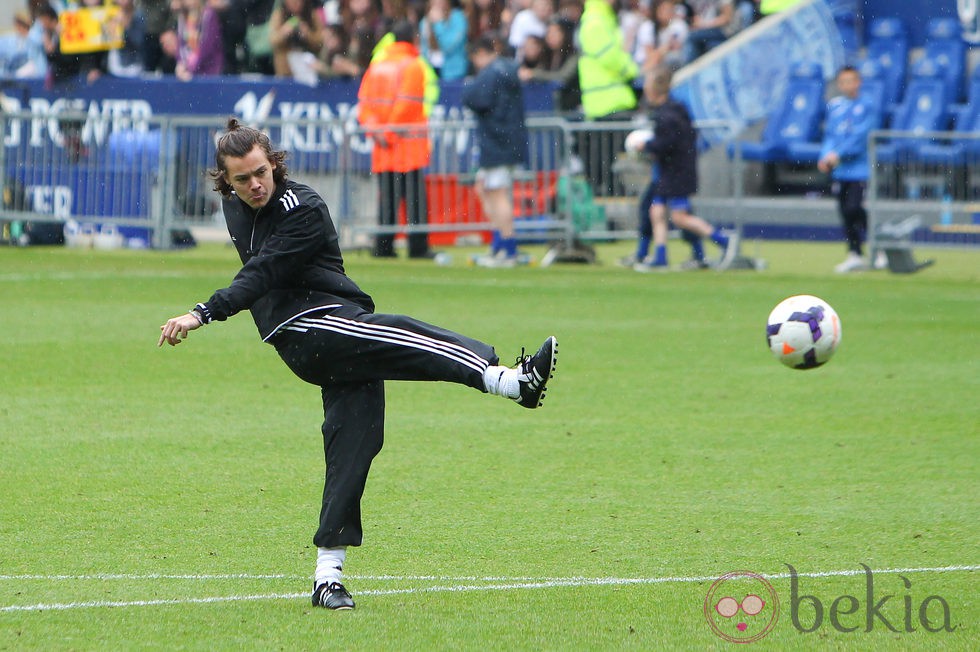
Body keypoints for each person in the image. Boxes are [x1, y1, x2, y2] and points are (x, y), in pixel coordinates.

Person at [157, 118, 558, 610]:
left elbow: (263, 271)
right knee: (406, 333)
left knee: (355, 442)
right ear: (225, 181)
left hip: (330, 321)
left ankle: (327, 576)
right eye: (241, 179)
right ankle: (509, 381)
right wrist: (203, 312)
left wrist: (204, 310)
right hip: (309, 328)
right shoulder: (235, 204)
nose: (254, 185)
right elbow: (259, 275)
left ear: (274, 163)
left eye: (260, 172)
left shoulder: (302, 206)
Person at [626, 65, 737, 271]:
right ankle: (660, 256)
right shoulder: (673, 110)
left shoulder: (667, 116)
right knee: (656, 211)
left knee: (679, 217)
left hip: (676, 172)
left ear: (654, 90)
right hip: (672, 171)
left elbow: (667, 143)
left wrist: (646, 146)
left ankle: (723, 240)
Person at [357, 20, 436, 259]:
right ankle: (418, 247)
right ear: (413, 38)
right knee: (415, 201)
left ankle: (384, 246)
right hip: (407, 146)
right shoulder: (413, 66)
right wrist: (390, 133)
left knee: (387, 200)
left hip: (383, 147)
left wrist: (377, 132)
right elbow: (407, 106)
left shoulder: (377, 66)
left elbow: (364, 105)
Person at [462, 33, 530, 267]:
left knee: (497, 193)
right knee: (484, 188)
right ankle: (499, 245)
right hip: (505, 141)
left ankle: (508, 250)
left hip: (498, 142)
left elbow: (472, 98)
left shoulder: (493, 73)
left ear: (480, 54)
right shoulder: (507, 70)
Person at [818, 65, 880, 273]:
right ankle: (854, 253)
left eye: (850, 81)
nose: (846, 85)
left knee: (855, 207)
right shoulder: (834, 106)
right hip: (840, 170)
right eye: (842, 81)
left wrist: (838, 154)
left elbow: (860, 137)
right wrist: (824, 156)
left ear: (858, 82)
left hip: (859, 169)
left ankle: (876, 248)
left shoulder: (867, 105)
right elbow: (830, 136)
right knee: (844, 211)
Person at [577, 0, 639, 196]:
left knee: (610, 156)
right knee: (608, 157)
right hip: (607, 101)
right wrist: (631, 70)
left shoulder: (603, 19)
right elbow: (609, 56)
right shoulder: (596, 21)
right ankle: (610, 193)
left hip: (609, 100)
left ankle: (612, 192)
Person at [268, 0, 325, 78]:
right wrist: (284, 31)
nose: (296, 3)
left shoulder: (312, 15)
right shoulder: (279, 14)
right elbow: (272, 40)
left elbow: (321, 41)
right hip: (285, 71)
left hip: (309, 70)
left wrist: (308, 34)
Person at [418, 0, 468, 81]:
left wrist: (438, 24)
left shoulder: (458, 18)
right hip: (432, 74)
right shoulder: (425, 21)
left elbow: (448, 46)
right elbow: (424, 50)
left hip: (454, 73)